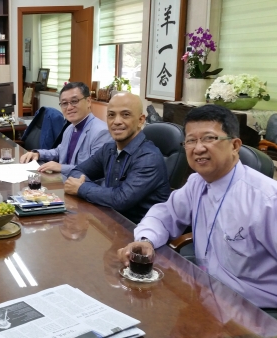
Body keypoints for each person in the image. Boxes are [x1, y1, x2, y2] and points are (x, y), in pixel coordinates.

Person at [118, 105, 277, 311]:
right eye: (191, 140)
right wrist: (145, 241)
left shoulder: (267, 200)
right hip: (206, 294)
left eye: (209, 138)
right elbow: (163, 215)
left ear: (235, 145)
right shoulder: (197, 182)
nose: (198, 148)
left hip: (255, 311)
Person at [64, 92, 171, 224]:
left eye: (125, 115)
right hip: (111, 223)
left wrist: (81, 188)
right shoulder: (108, 149)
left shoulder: (149, 157)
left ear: (141, 120)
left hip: (142, 233)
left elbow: (121, 199)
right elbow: (77, 171)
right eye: (111, 115)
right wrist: (93, 190)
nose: (117, 121)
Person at [19, 82, 111, 175]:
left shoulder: (102, 132)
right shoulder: (70, 128)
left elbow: (95, 170)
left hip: (85, 186)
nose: (69, 107)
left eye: (74, 101)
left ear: (88, 102)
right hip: (63, 182)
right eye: (64, 103)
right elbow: (59, 152)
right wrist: (38, 154)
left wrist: (61, 167)